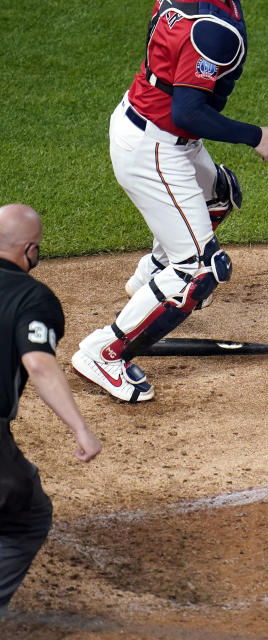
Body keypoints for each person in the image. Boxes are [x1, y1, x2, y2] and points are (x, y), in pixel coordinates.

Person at [71, 0, 268, 402]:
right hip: (155, 149)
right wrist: (254, 135)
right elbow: (187, 112)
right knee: (201, 270)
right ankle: (103, 352)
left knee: (217, 197)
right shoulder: (214, 29)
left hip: (149, 125)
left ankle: (150, 276)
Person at [0, 204, 102, 622]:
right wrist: (81, 428)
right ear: (29, 250)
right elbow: (39, 364)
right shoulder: (32, 297)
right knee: (27, 514)